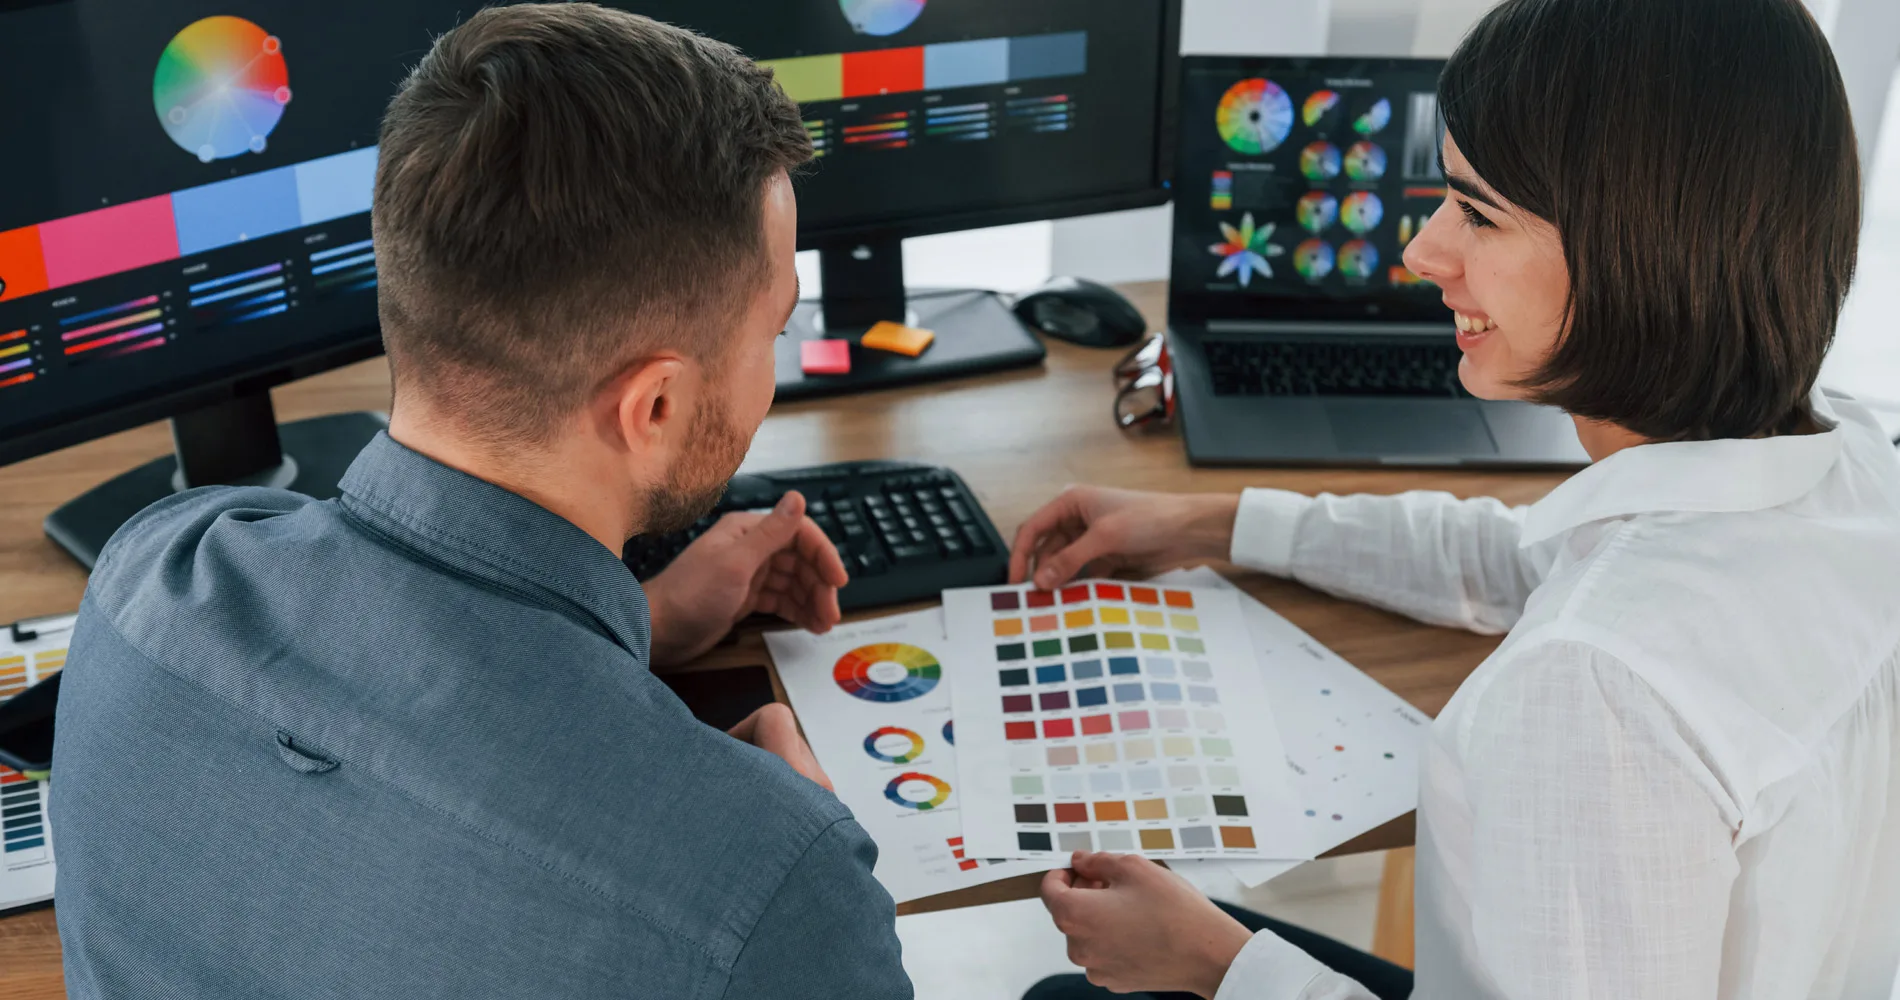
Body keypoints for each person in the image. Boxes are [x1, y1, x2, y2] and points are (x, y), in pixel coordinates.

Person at [1017, 0, 1900, 997]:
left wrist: (1217, 964)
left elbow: (1592, 630)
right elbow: (1522, 557)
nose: (1423, 252)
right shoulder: (1854, 465)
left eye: (1476, 213)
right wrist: (1212, 523)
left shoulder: (1592, 691)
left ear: (1641, 246)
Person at [51, 6, 913, 998]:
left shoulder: (147, 576)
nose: (772, 363)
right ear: (656, 406)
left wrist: (643, 622)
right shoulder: (770, 886)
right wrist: (780, 866)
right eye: (774, 329)